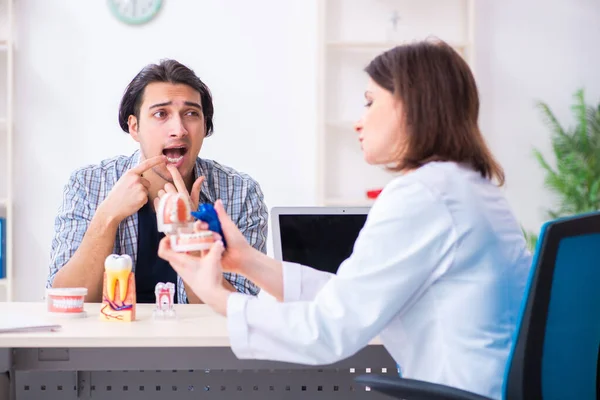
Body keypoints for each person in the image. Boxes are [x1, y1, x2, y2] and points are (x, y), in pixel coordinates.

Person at [157, 40, 532, 399]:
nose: (359, 121)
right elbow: (350, 296)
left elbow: (327, 330)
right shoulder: (465, 188)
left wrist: (216, 296)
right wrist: (247, 261)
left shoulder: (423, 197)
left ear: (411, 107)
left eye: (370, 102)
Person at [47, 59, 269, 304]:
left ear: (205, 126)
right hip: (111, 340)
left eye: (192, 114)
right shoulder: (87, 184)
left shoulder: (240, 193)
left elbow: (238, 313)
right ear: (134, 127)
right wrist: (107, 218)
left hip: (198, 342)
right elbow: (64, 300)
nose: (179, 129)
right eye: (161, 114)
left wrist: (191, 237)